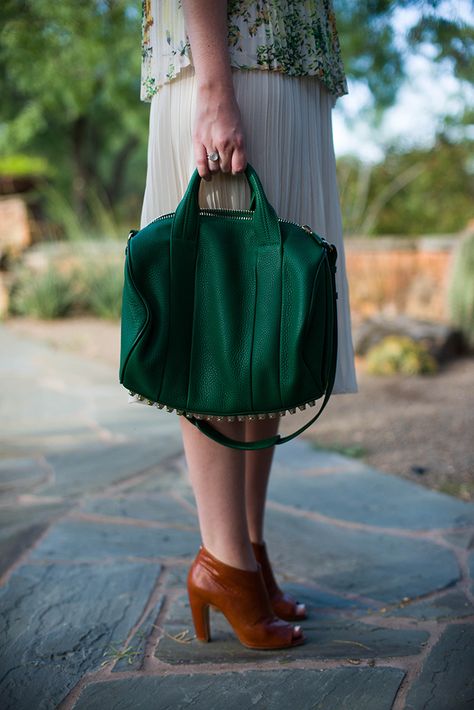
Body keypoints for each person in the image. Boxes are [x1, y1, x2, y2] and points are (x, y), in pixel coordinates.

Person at [130, 0, 358, 650]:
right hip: (232, 65)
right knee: (218, 325)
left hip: (284, 70)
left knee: (270, 330)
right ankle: (223, 561)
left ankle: (249, 555)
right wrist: (214, 88)